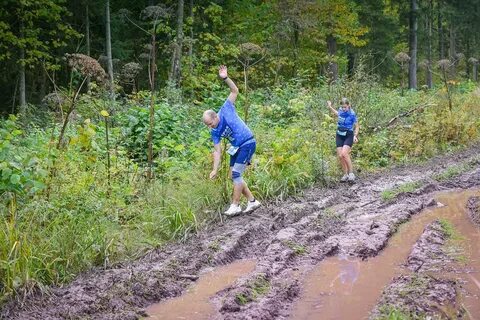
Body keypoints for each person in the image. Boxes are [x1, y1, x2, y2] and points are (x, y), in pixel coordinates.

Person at [202, 65, 261, 216]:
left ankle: (235, 206)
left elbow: (235, 91)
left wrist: (225, 78)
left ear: (215, 116)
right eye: (207, 125)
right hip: (236, 147)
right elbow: (217, 151)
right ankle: (252, 201)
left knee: (236, 175)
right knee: (233, 175)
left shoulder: (226, 108)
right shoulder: (214, 131)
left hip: (247, 142)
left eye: (210, 123)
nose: (210, 127)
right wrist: (214, 169)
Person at [326, 97, 359, 182]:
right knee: (340, 156)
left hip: (348, 134)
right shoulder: (341, 110)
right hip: (339, 134)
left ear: (348, 105)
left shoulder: (352, 114)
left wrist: (355, 136)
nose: (344, 109)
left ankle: (351, 174)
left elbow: (357, 126)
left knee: (344, 154)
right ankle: (345, 174)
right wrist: (330, 107)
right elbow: (338, 113)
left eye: (345, 107)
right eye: (342, 107)